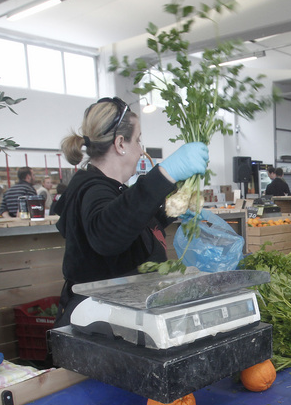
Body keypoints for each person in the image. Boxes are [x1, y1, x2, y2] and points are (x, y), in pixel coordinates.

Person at [52, 96, 208, 326]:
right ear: (120, 144)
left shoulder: (114, 190)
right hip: (98, 326)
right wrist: (166, 173)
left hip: (121, 317)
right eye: (138, 140)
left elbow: (131, 223)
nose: (140, 150)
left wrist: (172, 207)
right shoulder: (92, 190)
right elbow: (108, 234)